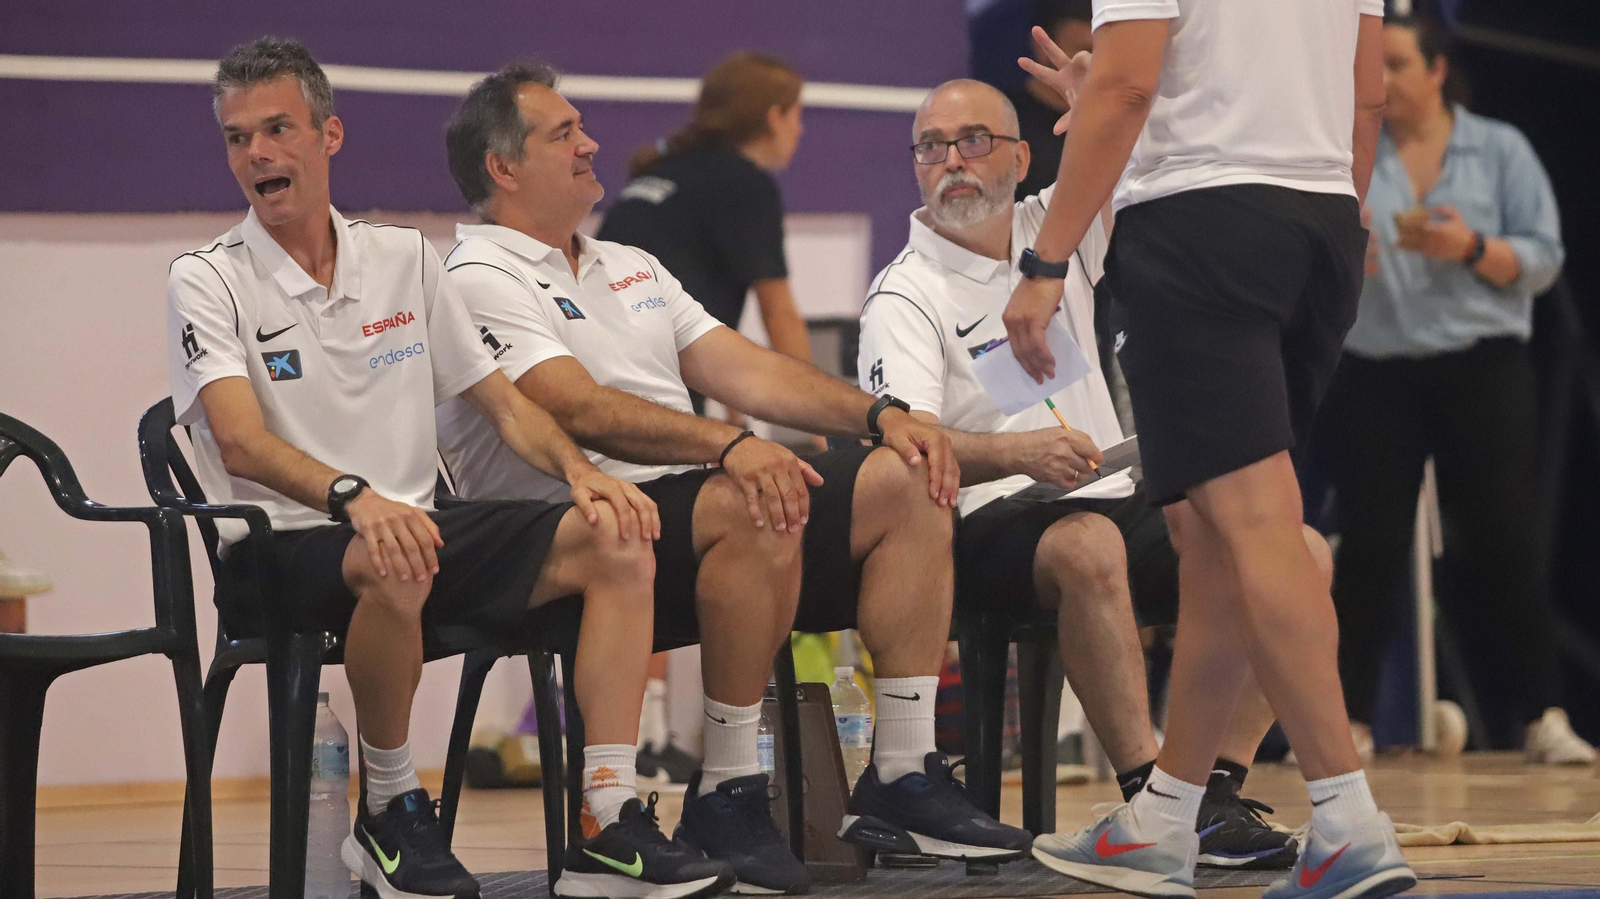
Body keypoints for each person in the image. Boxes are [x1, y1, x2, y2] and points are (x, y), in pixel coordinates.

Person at [435, 63, 1032, 896]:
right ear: (503, 168)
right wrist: (728, 445)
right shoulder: (474, 274)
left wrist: (882, 417)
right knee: (749, 496)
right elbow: (573, 405)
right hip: (567, 536)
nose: (591, 142)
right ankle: (726, 787)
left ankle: (901, 767)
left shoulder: (628, 263)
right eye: (564, 132)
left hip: (686, 517)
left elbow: (748, 367)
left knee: (907, 472)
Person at [167, 40, 718, 899]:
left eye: (278, 129)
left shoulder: (406, 260)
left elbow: (502, 402)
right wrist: (356, 497)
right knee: (395, 547)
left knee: (613, 534)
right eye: (239, 139)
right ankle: (388, 808)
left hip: (419, 530)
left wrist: (580, 472)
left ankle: (606, 818)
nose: (258, 155)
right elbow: (238, 442)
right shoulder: (207, 279)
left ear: (329, 136)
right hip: (284, 544)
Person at [999, 4, 1415, 899]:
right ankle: (1167, 815)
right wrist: (1336, 213)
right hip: (1321, 225)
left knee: (1256, 522)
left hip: (1201, 229)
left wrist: (1044, 262)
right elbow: (1369, 93)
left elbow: (1130, 81)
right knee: (1210, 533)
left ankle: (1347, 820)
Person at [860, 78, 1326, 872]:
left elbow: (1155, 178)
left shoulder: (1054, 233)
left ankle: (1208, 792)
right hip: (986, 516)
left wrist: (1111, 109)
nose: (953, 163)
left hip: (1110, 487)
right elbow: (910, 445)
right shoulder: (905, 292)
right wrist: (1016, 452)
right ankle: (1150, 795)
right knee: (1088, 547)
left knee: (1299, 550)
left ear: (1020, 156)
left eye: (973, 141)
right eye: (932, 148)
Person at [1315, 14, 1591, 765]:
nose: (1384, 81)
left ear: (1438, 71)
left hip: (1481, 362)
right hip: (1375, 366)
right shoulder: (1347, 149)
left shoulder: (1499, 147)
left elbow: (1543, 258)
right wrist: (1344, 255)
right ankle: (1354, 721)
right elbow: (1307, 247)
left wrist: (1468, 245)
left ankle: (1544, 713)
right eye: (1375, 67)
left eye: (1398, 64)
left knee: (1505, 536)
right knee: (1368, 541)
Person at [598, 52, 821, 431]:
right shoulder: (745, 184)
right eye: (798, 115)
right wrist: (826, 425)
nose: (801, 130)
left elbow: (687, 278)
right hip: (654, 396)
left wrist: (729, 394)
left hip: (597, 375)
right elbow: (779, 314)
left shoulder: (665, 170)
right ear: (774, 117)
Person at [1008, 0, 1095, 201]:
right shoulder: (1003, 124)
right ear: (1042, 48)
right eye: (1085, 51)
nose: (1093, 63)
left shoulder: (1129, 120)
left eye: (1106, 52)